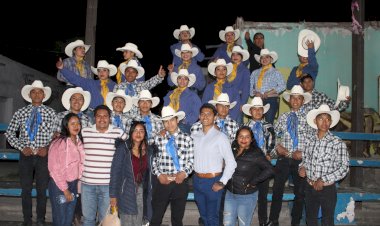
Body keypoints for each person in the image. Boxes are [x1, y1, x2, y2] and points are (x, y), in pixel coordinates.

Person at [5, 80, 57, 226]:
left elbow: (57, 134)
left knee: (42, 189)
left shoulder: (51, 113)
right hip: (26, 156)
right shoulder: (21, 112)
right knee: (26, 189)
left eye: (40, 92)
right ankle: (26, 220)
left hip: (43, 156)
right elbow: (9, 133)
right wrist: (21, 147)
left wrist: (47, 147)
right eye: (33, 91)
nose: (37, 94)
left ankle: (40, 219)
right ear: (29, 94)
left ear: (44, 95)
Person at [266, 85, 312, 226]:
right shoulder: (283, 117)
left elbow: (312, 139)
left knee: (300, 193)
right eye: (293, 98)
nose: (296, 101)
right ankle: (273, 220)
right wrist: (277, 147)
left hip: (300, 161)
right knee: (277, 190)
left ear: (303, 101)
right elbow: (275, 136)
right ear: (289, 100)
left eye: (299, 98)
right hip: (284, 158)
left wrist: (303, 153)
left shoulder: (309, 119)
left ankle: (295, 222)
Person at [299, 104, 350, 226]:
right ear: (315, 121)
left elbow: (344, 167)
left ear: (331, 122)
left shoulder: (337, 143)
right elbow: (304, 159)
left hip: (327, 189)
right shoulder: (309, 140)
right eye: (321, 118)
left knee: (327, 220)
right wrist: (301, 167)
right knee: (310, 219)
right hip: (310, 186)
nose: (324, 122)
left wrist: (323, 180)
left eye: (327, 119)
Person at [191, 103, 237, 226]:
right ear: (199, 116)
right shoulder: (194, 136)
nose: (205, 117)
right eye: (202, 114)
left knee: (213, 218)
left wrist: (222, 181)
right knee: (204, 216)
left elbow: (231, 162)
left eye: (209, 114)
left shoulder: (220, 137)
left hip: (213, 180)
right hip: (197, 180)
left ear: (215, 117)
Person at [52, 87, 91, 225]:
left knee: (72, 207)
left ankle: (76, 218)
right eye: (74, 98)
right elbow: (55, 137)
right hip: (63, 174)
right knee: (61, 213)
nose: (77, 101)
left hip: (78, 171)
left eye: (80, 99)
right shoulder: (60, 117)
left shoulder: (87, 119)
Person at [80, 105, 124, 226]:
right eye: (99, 116)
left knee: (106, 220)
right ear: (94, 118)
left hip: (108, 186)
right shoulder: (85, 132)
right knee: (88, 219)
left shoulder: (118, 132)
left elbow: (132, 146)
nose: (102, 119)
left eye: (105, 116)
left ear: (110, 118)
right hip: (88, 185)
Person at [151, 106, 194, 226]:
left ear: (177, 120)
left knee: (177, 218)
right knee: (156, 217)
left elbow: (191, 161)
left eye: (172, 120)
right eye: (166, 121)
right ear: (163, 123)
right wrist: (159, 175)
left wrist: (184, 173)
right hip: (163, 181)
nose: (169, 124)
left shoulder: (187, 139)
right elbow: (154, 160)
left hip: (180, 182)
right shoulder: (158, 138)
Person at [223, 126, 274, 226]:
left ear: (251, 139)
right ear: (236, 138)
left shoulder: (255, 153)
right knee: (227, 224)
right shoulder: (232, 150)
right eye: (241, 136)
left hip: (246, 196)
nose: (243, 139)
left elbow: (270, 169)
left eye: (247, 137)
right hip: (230, 194)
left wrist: (254, 182)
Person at [110, 121, 153, 226]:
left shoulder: (148, 151)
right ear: (131, 133)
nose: (138, 134)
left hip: (142, 192)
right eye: (136, 131)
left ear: (145, 134)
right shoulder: (123, 148)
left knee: (139, 221)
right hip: (126, 191)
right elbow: (115, 173)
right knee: (127, 220)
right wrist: (113, 196)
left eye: (141, 131)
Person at [242, 97, 276, 226]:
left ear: (263, 111)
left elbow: (272, 142)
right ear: (250, 111)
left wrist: (268, 154)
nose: (257, 112)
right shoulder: (245, 127)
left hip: (263, 165)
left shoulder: (268, 127)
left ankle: (262, 221)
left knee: (263, 194)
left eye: (260, 109)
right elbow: (241, 143)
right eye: (254, 109)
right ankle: (244, 220)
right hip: (249, 164)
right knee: (246, 193)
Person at [48, 113, 85, 226]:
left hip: (73, 184)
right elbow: (54, 168)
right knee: (60, 219)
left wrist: (77, 186)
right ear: (66, 125)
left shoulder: (79, 142)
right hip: (60, 185)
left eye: (78, 123)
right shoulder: (59, 143)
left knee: (68, 218)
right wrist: (65, 189)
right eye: (72, 123)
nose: (76, 126)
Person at [250, 48, 286, 124]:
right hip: (258, 100)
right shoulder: (254, 72)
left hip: (271, 99)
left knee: (268, 123)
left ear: (271, 59)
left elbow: (283, 85)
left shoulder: (275, 72)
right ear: (260, 60)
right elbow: (250, 87)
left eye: (267, 57)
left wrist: (269, 93)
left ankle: (269, 135)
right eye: (262, 57)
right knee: (256, 122)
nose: (264, 59)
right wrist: (255, 93)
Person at [164, 68, 202, 133]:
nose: (182, 80)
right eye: (180, 78)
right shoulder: (170, 94)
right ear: (177, 80)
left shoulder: (193, 95)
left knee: (178, 130)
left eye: (185, 78)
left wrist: (185, 120)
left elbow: (197, 112)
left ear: (188, 81)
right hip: (169, 122)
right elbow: (165, 109)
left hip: (184, 124)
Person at [229, 45, 251, 123]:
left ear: (241, 57)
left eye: (238, 54)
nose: (235, 56)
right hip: (228, 98)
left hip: (239, 98)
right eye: (233, 54)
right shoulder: (228, 69)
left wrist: (242, 103)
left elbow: (246, 88)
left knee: (238, 121)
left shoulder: (245, 70)